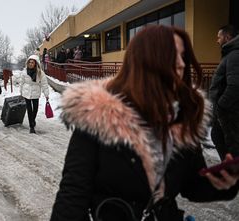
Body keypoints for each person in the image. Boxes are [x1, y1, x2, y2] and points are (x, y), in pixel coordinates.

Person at [50, 25, 239, 221]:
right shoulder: (96, 115)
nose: (182, 64)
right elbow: (72, 195)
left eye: (183, 57)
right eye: (173, 55)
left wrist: (223, 182)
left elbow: (193, 187)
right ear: (146, 61)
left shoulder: (183, 119)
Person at [209, 25, 239, 160]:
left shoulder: (234, 55)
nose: (217, 40)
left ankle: (232, 173)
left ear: (227, 37)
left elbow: (235, 85)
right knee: (218, 137)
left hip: (228, 113)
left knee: (230, 145)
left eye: (219, 37)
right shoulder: (230, 54)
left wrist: (221, 106)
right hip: (225, 112)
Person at [19, 55, 49, 134]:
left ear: (36, 63)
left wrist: (46, 94)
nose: (31, 64)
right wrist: (21, 92)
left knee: (35, 109)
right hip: (26, 92)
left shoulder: (40, 73)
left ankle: (32, 120)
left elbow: (44, 84)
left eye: (32, 62)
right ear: (27, 63)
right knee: (29, 109)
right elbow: (21, 83)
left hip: (36, 91)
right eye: (29, 62)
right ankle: (31, 126)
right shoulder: (24, 71)